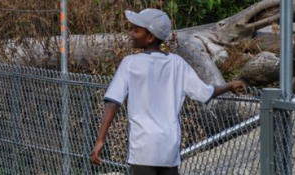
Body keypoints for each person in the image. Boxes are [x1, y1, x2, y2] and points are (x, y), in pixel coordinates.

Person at [90, 9, 245, 175]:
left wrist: (100, 140)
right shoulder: (177, 64)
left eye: (136, 30)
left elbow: (113, 101)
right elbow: (205, 93)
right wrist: (229, 86)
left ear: (150, 37)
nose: (131, 34)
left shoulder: (130, 63)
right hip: (169, 148)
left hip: (143, 147)